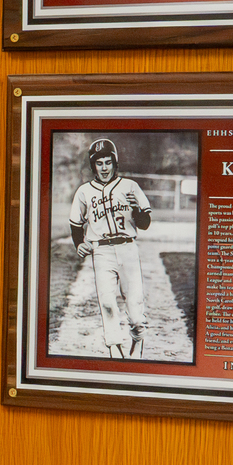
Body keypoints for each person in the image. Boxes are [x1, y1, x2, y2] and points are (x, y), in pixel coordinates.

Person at [69, 138, 153, 358]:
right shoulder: (84, 191)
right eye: (99, 163)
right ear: (93, 166)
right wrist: (79, 243)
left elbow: (145, 224)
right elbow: (75, 223)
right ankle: (114, 349)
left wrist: (137, 212)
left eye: (108, 162)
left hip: (128, 248)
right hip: (102, 251)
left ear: (115, 163)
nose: (104, 167)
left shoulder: (130, 186)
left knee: (134, 305)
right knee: (106, 301)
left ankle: (138, 336)